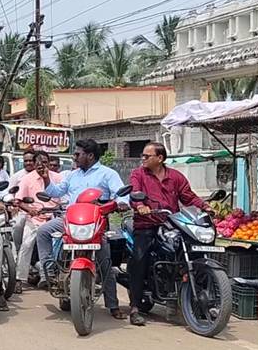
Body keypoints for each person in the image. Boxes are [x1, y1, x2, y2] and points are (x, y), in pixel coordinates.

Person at [35, 138, 128, 320]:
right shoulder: (72, 175)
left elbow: (121, 194)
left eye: (78, 154)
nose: (75, 157)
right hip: (70, 221)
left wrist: (121, 203)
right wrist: (46, 177)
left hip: (96, 223)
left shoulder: (108, 174)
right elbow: (56, 192)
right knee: (43, 231)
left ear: (90, 155)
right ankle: (49, 272)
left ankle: (113, 305)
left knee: (105, 262)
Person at [127, 141, 211, 326]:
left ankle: (192, 299)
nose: (143, 159)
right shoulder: (138, 174)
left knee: (191, 251)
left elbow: (188, 196)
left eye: (147, 156)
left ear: (160, 158)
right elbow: (135, 193)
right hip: (146, 224)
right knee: (139, 259)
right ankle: (135, 307)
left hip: (171, 223)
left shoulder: (175, 177)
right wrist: (140, 206)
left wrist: (205, 206)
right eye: (142, 155)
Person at [14, 151, 62, 293]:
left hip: (54, 217)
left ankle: (54, 276)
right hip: (34, 218)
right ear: (34, 165)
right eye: (39, 164)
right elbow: (18, 201)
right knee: (26, 245)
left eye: (45, 163)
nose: (42, 166)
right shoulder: (27, 179)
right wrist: (30, 209)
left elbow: (65, 197)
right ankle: (19, 279)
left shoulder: (58, 178)